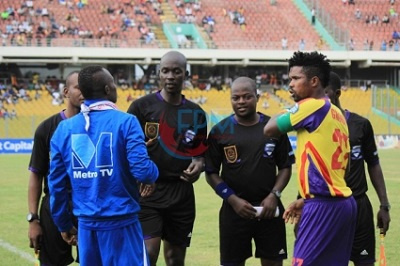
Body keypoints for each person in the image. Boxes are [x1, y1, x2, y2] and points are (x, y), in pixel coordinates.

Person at [48, 66, 159, 265]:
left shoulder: (64, 129)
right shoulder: (127, 122)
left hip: (87, 229)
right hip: (122, 225)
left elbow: (56, 185)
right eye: (114, 84)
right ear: (108, 90)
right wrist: (153, 174)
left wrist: (63, 224)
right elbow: (142, 170)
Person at [263, 51, 357, 265]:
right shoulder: (336, 113)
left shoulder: (312, 106)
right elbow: (347, 167)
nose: (290, 85)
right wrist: (308, 198)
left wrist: (293, 108)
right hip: (342, 203)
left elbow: (269, 129)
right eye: (290, 79)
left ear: (314, 81)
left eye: (296, 79)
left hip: (324, 207)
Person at [127, 51, 207, 266]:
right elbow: (124, 150)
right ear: (159, 74)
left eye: (176, 71)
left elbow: (199, 155)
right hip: (148, 191)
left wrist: (198, 166)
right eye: (166, 71)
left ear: (186, 74)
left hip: (181, 193)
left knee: (175, 259)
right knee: (148, 253)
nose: (170, 76)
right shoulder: (140, 108)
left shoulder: (196, 113)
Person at [205, 77, 294, 266]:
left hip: (269, 210)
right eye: (236, 98)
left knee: (273, 262)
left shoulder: (273, 128)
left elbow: (286, 167)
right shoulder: (220, 131)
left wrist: (274, 195)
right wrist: (232, 199)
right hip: (234, 211)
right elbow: (211, 172)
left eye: (247, 97)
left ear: (257, 97)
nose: (241, 102)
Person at [325, 72, 391, 266]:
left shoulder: (360, 124)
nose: (319, 99)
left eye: (324, 93)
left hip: (358, 204)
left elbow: (374, 164)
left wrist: (384, 205)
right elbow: (310, 169)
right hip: (328, 206)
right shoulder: (314, 126)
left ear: (337, 93)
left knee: (364, 262)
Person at [27, 71, 83, 265]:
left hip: (90, 205)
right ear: (66, 91)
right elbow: (36, 174)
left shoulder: (98, 127)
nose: (84, 91)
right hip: (54, 206)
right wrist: (33, 220)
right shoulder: (47, 128)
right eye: (78, 87)